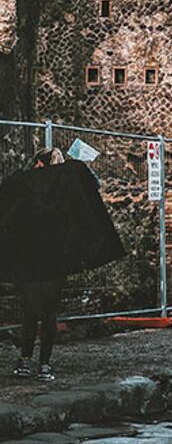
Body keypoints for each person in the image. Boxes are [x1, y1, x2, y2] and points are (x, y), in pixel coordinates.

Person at [0, 148, 124, 382]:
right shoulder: (68, 188)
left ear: (38, 163)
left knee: (30, 312)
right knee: (49, 314)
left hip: (28, 257)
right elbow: (91, 186)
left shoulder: (23, 184)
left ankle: (25, 360)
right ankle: (44, 364)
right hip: (55, 258)